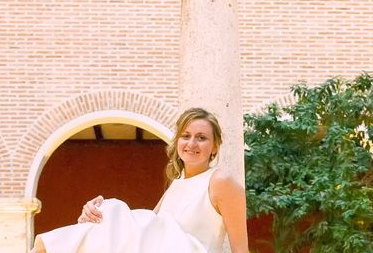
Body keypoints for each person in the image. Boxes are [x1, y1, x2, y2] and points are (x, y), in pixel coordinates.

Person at [31, 107, 249, 253]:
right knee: (104, 217)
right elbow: (142, 228)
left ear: (215, 147)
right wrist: (94, 214)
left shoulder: (220, 181)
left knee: (112, 211)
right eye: (186, 136)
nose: (192, 143)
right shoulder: (177, 183)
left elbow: (240, 250)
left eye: (201, 138)